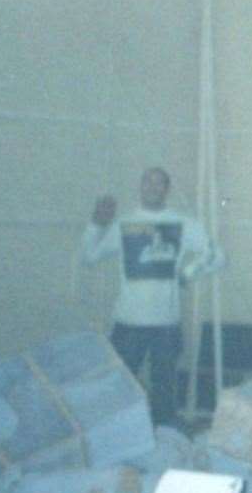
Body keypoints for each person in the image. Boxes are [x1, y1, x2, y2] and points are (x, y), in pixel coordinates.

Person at [81, 167, 223, 427]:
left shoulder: (184, 224)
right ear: (140, 187)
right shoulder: (123, 224)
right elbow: (89, 257)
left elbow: (217, 256)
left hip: (166, 325)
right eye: (148, 182)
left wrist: (187, 274)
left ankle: (165, 446)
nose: (153, 187)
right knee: (118, 390)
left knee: (165, 395)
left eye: (159, 183)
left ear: (166, 189)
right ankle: (120, 440)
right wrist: (96, 225)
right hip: (127, 323)